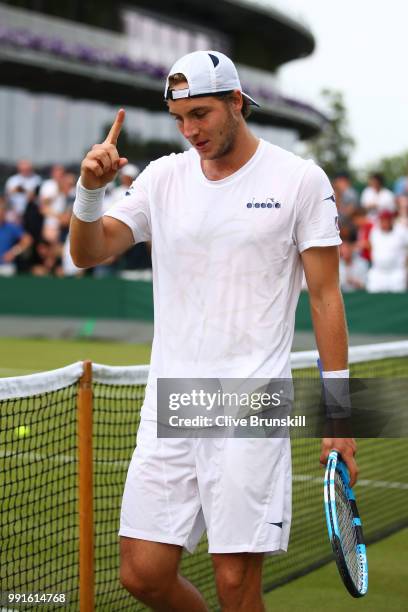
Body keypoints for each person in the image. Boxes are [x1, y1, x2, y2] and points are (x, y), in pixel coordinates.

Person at [70, 50, 357, 611]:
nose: (190, 130)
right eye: (179, 119)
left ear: (235, 101)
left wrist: (339, 416)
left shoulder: (300, 179)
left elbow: (326, 298)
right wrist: (89, 190)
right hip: (170, 405)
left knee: (234, 582)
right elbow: (88, 251)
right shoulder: (163, 178)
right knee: (142, 574)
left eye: (200, 114)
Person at [366, 210, 408, 292]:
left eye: (387, 220)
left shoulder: (401, 231)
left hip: (396, 273)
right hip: (378, 272)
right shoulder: (374, 231)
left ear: (391, 220)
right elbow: (370, 246)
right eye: (382, 220)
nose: (384, 223)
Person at [0, 197, 33, 275]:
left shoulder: (10, 227)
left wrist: (13, 252)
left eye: (2, 209)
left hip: (5, 267)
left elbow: (28, 240)